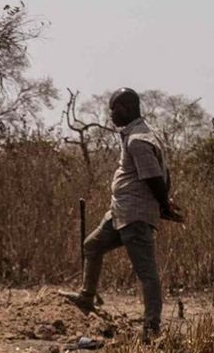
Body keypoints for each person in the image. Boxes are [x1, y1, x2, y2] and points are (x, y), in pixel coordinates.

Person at [58, 88, 181, 337]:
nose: (111, 115)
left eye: (114, 110)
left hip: (135, 215)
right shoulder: (138, 134)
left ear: (126, 108)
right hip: (120, 212)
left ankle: (151, 326)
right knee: (91, 246)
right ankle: (86, 297)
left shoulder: (138, 140)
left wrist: (164, 205)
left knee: (146, 272)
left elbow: (155, 177)